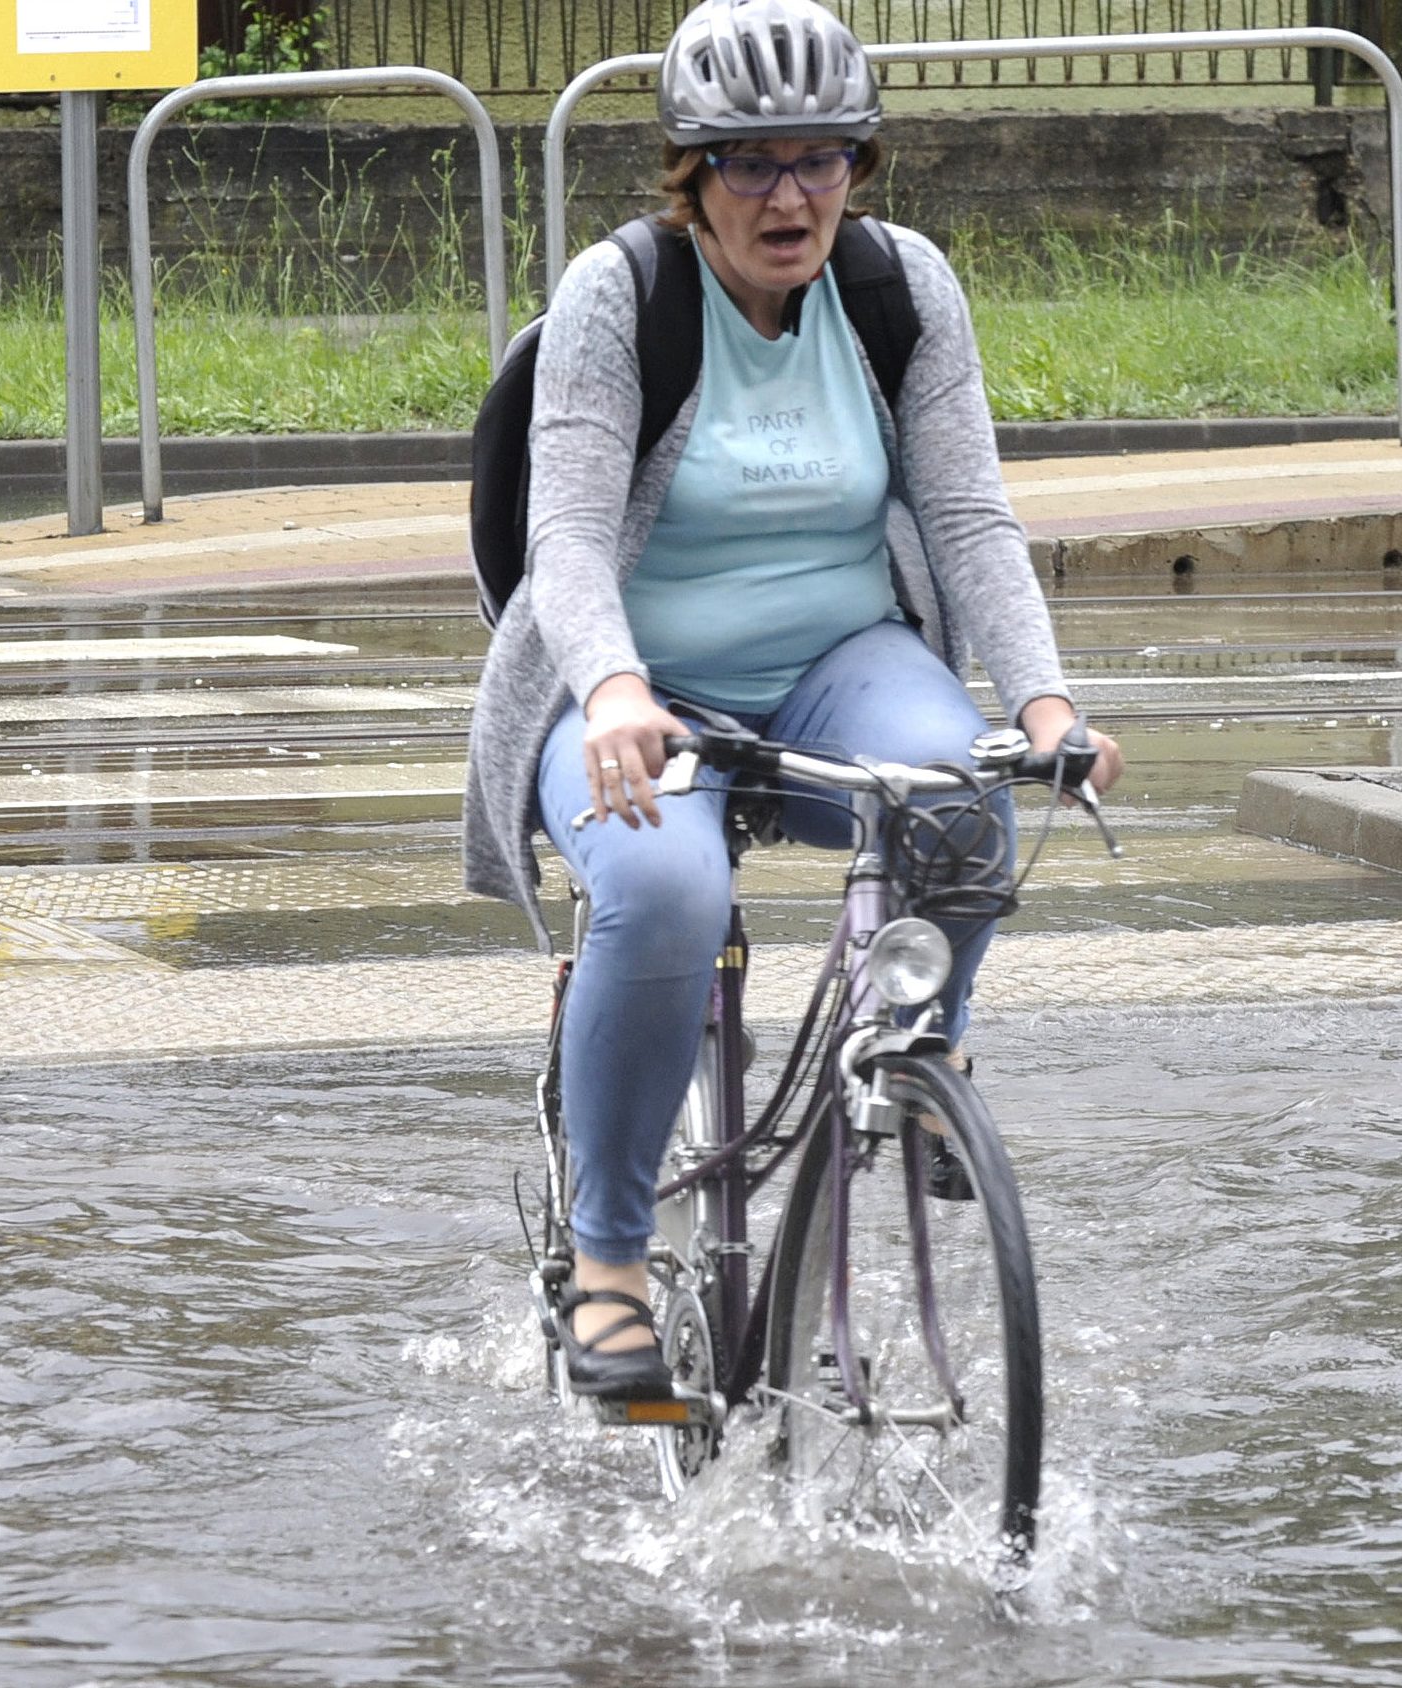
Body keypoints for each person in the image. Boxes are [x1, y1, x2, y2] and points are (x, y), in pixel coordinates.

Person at [461, 0, 1123, 1401]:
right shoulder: (618, 294)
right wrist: (619, 688)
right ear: (689, 176)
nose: (791, 193)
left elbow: (968, 518)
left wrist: (1047, 707)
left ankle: (914, 1061)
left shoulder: (902, 290)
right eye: (751, 162)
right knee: (664, 893)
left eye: (822, 158)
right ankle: (611, 1266)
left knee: (966, 803)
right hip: (632, 682)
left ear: (860, 168)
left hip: (838, 659)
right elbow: (566, 541)